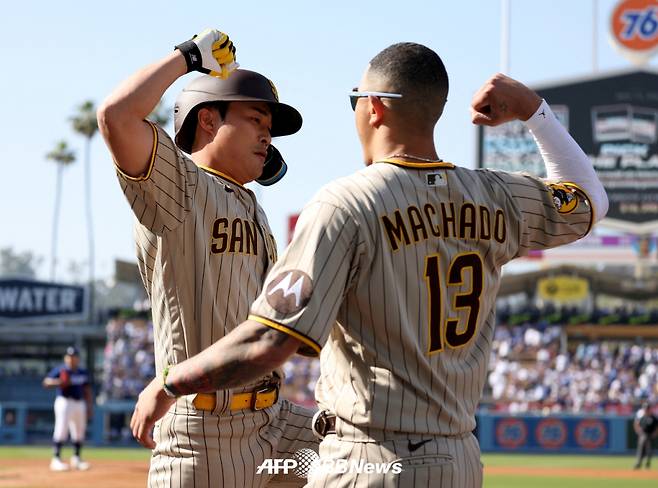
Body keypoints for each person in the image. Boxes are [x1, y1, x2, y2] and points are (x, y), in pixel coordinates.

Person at [130, 42, 609, 487]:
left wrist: (172, 381)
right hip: (457, 458)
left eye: (355, 100)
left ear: (374, 107)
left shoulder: (347, 203)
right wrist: (533, 111)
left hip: (370, 459)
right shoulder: (496, 196)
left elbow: (272, 339)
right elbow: (591, 199)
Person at [97, 28, 318, 487]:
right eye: (256, 119)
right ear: (209, 121)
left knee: (377, 461)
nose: (266, 134)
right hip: (207, 435)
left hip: (276, 427)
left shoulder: (252, 206)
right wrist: (188, 55)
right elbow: (117, 117)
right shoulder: (181, 185)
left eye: (269, 129)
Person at [43, 346, 92, 471]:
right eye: (69, 356)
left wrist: (89, 406)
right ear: (65, 358)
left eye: (74, 356)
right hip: (64, 402)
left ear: (78, 358)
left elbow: (87, 390)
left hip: (79, 403)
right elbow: (46, 382)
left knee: (79, 431)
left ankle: (76, 459)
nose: (71, 359)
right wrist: (59, 382)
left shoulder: (82, 372)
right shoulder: (61, 370)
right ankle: (56, 459)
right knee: (61, 429)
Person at [634, 401, 658, 469]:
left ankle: (647, 463)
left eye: (647, 408)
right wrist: (638, 431)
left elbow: (656, 427)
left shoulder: (653, 417)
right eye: (645, 408)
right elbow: (637, 424)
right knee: (641, 449)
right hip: (643, 434)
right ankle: (639, 463)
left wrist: (655, 433)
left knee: (649, 450)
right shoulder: (642, 417)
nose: (646, 410)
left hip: (650, 435)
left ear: (650, 408)